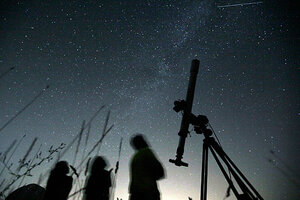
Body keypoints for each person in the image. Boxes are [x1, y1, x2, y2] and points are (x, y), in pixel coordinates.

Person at [129, 134, 165, 200]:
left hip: (135, 194)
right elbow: (160, 172)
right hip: (149, 192)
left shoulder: (134, 158)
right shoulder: (147, 152)